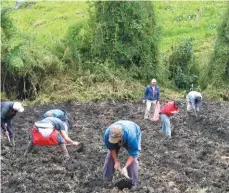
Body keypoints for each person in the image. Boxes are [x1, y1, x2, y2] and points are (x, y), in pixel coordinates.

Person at [103, 120, 141, 186]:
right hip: (121, 133)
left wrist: (125, 167)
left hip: (133, 130)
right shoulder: (107, 134)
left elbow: (133, 154)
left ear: (121, 136)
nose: (113, 141)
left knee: (133, 161)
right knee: (109, 156)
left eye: (115, 140)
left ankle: (132, 183)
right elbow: (111, 148)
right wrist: (116, 161)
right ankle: (107, 178)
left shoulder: (131, 137)